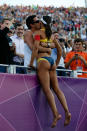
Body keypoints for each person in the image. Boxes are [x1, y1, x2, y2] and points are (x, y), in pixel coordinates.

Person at [29, 16, 71, 128]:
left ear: (41, 23)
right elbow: (60, 50)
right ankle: (67, 111)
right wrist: (56, 63)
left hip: (42, 61)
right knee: (57, 89)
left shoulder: (38, 33)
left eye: (38, 22)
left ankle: (56, 114)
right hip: (51, 62)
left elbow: (35, 49)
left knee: (47, 90)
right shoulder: (51, 35)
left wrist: (31, 63)